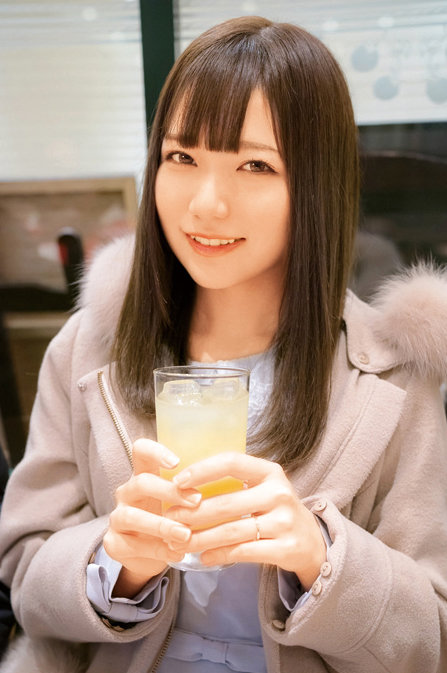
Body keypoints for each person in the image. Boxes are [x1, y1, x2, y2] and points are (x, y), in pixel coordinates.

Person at [0, 15, 446, 673]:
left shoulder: (394, 377)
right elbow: (25, 572)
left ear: (316, 184)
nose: (205, 203)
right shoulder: (87, 350)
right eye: (181, 157)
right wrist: (115, 562)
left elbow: (431, 636)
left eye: (255, 165)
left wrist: (320, 557)